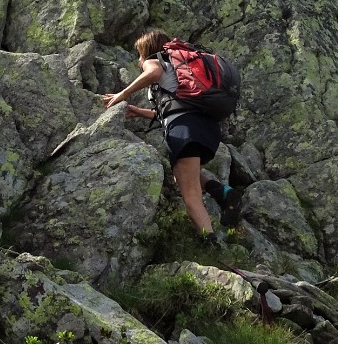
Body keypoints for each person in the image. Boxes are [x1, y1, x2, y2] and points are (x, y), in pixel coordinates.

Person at [101, 29, 243, 241]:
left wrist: (123, 94)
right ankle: (223, 193)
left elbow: (153, 74)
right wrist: (139, 112)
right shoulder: (180, 68)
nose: (139, 60)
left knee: (191, 197)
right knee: (185, 176)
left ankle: (210, 243)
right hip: (208, 130)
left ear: (145, 50)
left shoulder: (155, 60)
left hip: (185, 130)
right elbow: (173, 108)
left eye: (139, 54)